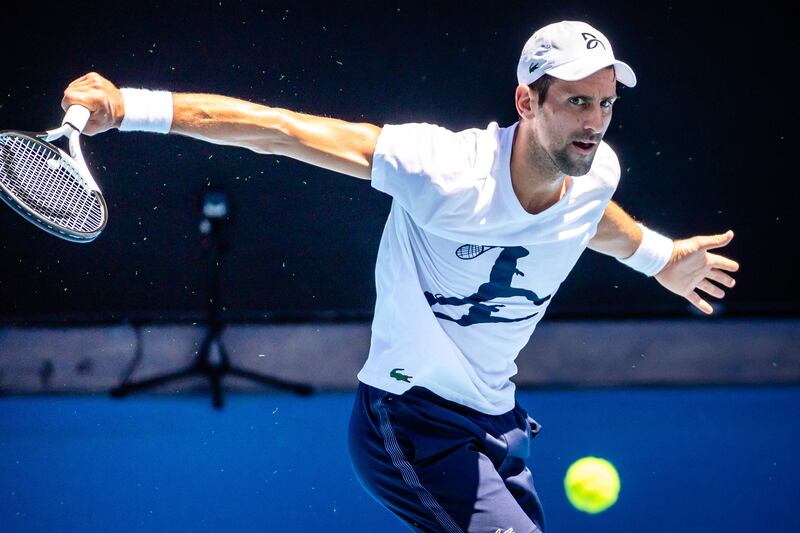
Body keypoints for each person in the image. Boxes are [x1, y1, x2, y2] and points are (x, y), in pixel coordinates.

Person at [61, 20, 739, 533]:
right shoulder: (441, 169)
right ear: (526, 102)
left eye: (605, 104)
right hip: (408, 418)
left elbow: (592, 216)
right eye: (576, 103)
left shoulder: (597, 171)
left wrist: (658, 258)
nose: (594, 122)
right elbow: (281, 130)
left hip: (498, 423)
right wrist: (129, 105)